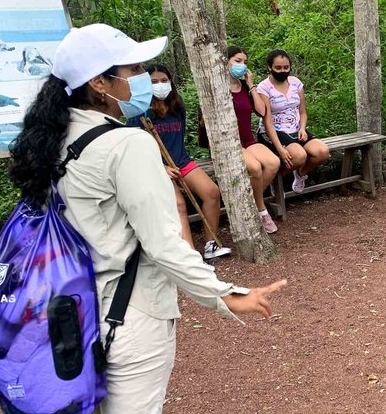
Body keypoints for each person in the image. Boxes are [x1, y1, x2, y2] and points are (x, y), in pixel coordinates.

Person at [7, 23, 287, 414]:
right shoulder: (125, 144)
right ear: (100, 83)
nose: (140, 80)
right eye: (131, 71)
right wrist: (226, 293)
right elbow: (164, 245)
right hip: (131, 316)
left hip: (73, 318)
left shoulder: (50, 142)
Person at [128, 64, 230, 260]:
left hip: (181, 160)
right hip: (155, 166)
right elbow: (134, 148)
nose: (160, 85)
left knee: (212, 192)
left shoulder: (177, 106)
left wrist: (178, 164)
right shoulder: (139, 112)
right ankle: (190, 254)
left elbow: (179, 137)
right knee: (179, 204)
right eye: (154, 82)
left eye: (164, 81)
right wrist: (161, 167)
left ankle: (211, 245)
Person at [255, 49, 331, 193]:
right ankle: (276, 181)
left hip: (295, 128)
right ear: (269, 67)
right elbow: (267, 121)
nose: (282, 71)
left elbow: (302, 112)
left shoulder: (296, 83)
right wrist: (279, 149)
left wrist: (302, 128)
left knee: (322, 151)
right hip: (273, 130)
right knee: (299, 156)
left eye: (286, 67)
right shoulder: (264, 88)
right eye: (278, 68)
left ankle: (301, 174)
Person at [223, 46, 281, 233]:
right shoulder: (218, 90)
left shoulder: (245, 88)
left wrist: (250, 84)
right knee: (255, 168)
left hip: (248, 139)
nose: (242, 65)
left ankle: (250, 204)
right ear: (226, 62)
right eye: (237, 61)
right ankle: (261, 211)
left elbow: (262, 111)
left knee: (273, 162)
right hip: (229, 143)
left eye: (245, 62)